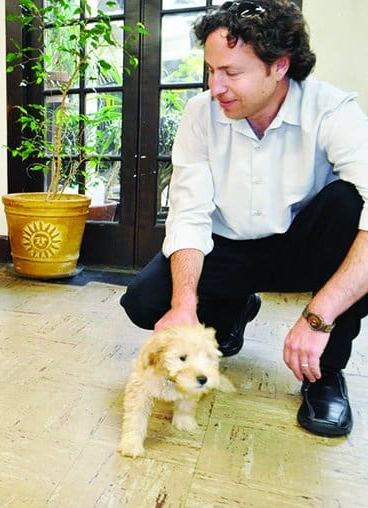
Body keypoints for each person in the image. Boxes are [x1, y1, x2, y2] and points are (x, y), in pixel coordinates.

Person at [120, 0, 368, 437]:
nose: (217, 87)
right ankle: (232, 306)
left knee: (348, 203)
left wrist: (318, 316)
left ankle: (325, 374)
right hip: (228, 245)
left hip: (301, 245)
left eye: (231, 73)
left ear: (279, 66)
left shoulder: (331, 110)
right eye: (211, 71)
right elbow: (191, 211)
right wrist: (184, 304)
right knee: (144, 301)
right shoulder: (200, 114)